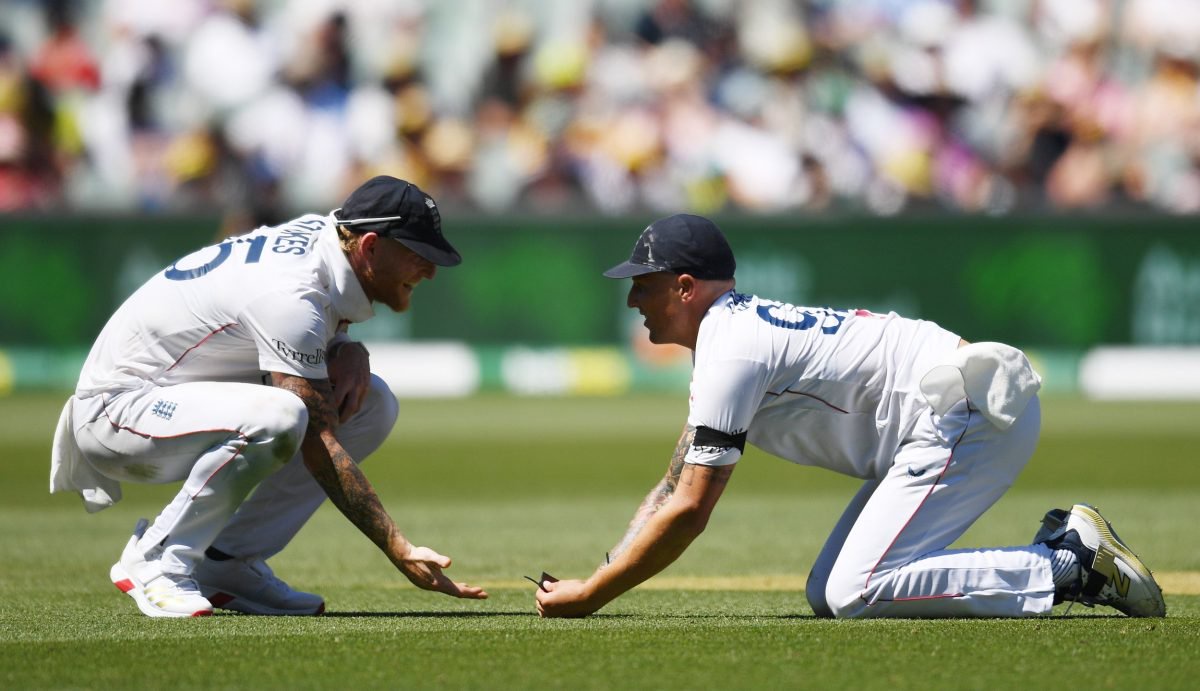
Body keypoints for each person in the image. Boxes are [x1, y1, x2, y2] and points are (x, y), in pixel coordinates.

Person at [535, 213, 1165, 619]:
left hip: (965, 413)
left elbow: (690, 509)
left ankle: (1068, 564)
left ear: (684, 287)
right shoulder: (728, 340)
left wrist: (594, 595)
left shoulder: (733, 348)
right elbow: (674, 483)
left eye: (644, 283)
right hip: (943, 418)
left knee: (854, 590)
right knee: (827, 594)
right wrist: (601, 572)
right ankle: (1064, 560)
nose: (631, 298)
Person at [50, 175, 488, 617]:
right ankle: (158, 558)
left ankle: (226, 561)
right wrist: (397, 545)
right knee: (282, 417)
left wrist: (348, 348)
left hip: (169, 394)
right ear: (370, 246)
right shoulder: (291, 292)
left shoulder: (331, 241)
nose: (430, 270)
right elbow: (319, 443)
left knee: (373, 405)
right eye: (418, 255)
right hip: (116, 411)